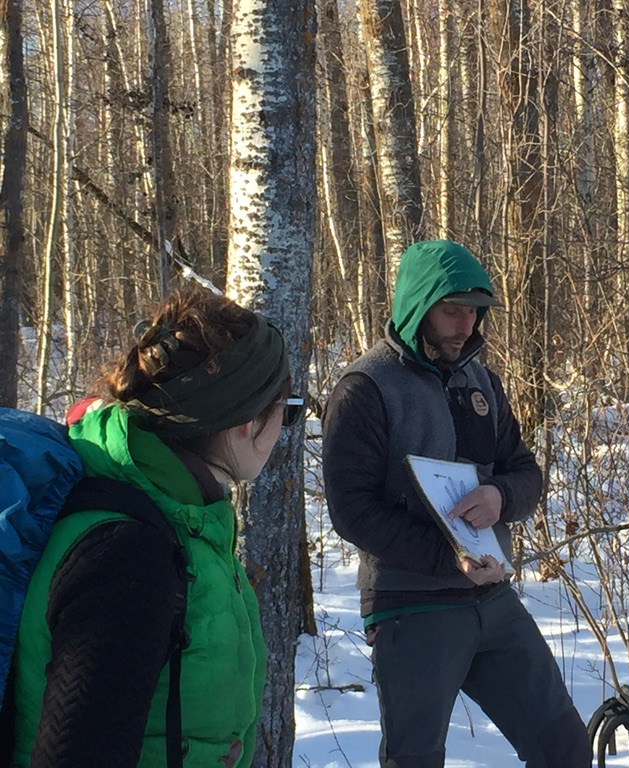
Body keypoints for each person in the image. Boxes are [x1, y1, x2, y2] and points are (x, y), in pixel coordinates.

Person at [322, 239, 591, 768]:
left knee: (564, 746)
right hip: (412, 607)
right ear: (418, 306)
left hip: (492, 599)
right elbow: (352, 511)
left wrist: (500, 495)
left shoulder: (481, 383)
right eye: (451, 311)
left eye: (473, 311)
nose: (466, 325)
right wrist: (448, 557)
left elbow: (525, 472)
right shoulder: (364, 389)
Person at [7, 288, 303, 768]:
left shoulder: (179, 519)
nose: (285, 428)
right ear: (247, 421)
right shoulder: (127, 555)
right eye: (288, 410)